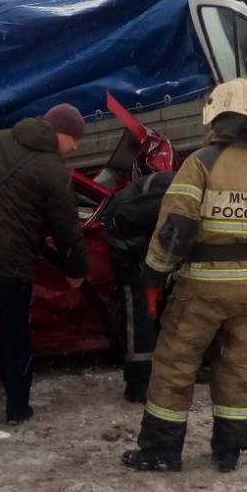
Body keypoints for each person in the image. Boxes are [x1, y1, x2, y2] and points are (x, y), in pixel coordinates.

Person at [121, 78, 247, 473]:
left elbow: (176, 230)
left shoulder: (201, 163)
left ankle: (160, 451)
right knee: (237, 366)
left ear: (216, 118)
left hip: (202, 283)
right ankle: (229, 450)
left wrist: (153, 278)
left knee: (175, 364)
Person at [0, 103, 90, 432]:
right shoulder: (52, 169)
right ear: (61, 134)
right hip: (9, 267)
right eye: (75, 140)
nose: (77, 147)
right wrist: (76, 269)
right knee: (15, 338)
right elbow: (66, 228)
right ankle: (17, 408)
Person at [100, 168, 175, 402]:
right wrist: (148, 264)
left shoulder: (185, 191)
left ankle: (165, 369)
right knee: (139, 305)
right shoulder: (169, 196)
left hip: (136, 232)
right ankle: (138, 382)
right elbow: (124, 221)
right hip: (124, 238)